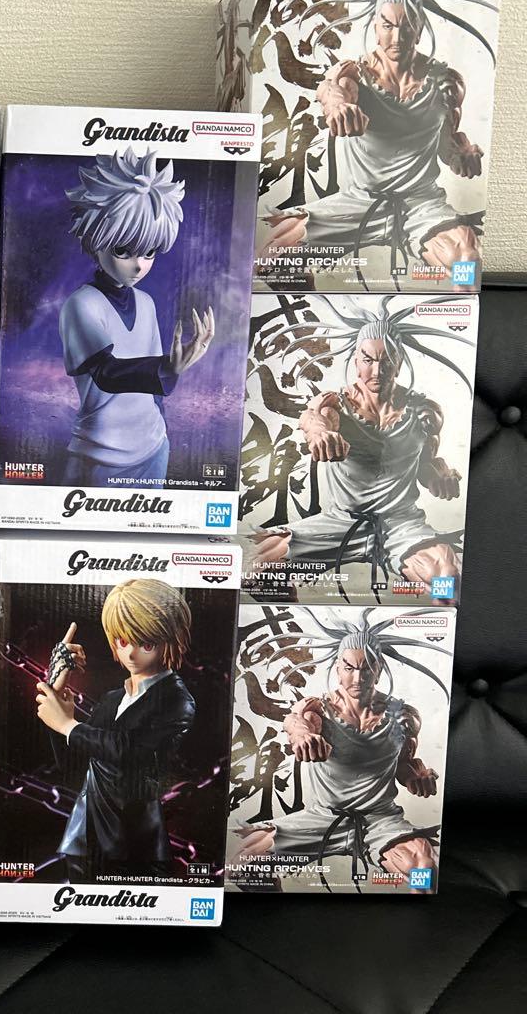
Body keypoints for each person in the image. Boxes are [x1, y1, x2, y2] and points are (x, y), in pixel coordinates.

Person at [259, 0, 496, 288]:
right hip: (361, 202)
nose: (397, 37)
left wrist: (464, 156)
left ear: (420, 28)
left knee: (466, 261)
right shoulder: (354, 73)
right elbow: (333, 92)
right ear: (375, 26)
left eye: (407, 26)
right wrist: (339, 109)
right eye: (388, 26)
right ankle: (320, 315)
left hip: (421, 205)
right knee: (273, 260)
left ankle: (460, 315)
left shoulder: (446, 83)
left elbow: (449, 146)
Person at [251, 295, 471, 601]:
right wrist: (321, 436)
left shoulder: (424, 412)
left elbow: (427, 463)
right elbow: (314, 420)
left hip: (400, 524)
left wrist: (440, 476)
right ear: (356, 362)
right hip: (341, 522)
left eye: (386, 360)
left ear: (399, 362)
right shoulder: (335, 404)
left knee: (447, 579)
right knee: (256, 566)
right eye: (368, 360)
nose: (377, 371)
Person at [231, 608, 447, 890]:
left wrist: (417, 778)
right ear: (337, 668)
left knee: (424, 870)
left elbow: (405, 763)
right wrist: (304, 738)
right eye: (349, 668)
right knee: (244, 867)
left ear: (379, 669)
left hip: (380, 820)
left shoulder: (402, 716)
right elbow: (296, 724)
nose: (358, 678)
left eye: (366, 668)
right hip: (323, 818)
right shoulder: (317, 709)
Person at [59, 147, 214, 489]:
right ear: (96, 240)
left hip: (154, 446)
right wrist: (167, 366)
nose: (139, 265)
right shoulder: (82, 305)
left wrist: (169, 376)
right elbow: (107, 373)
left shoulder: (146, 303)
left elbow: (155, 391)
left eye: (149, 252)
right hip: (99, 453)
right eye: (123, 250)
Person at [34, 579, 196, 881]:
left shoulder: (176, 699)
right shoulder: (112, 699)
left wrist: (68, 724)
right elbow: (75, 764)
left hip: (134, 845)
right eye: (122, 641)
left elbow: (128, 750)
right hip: (83, 838)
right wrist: (58, 697)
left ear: (171, 638)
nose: (131, 653)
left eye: (146, 644)